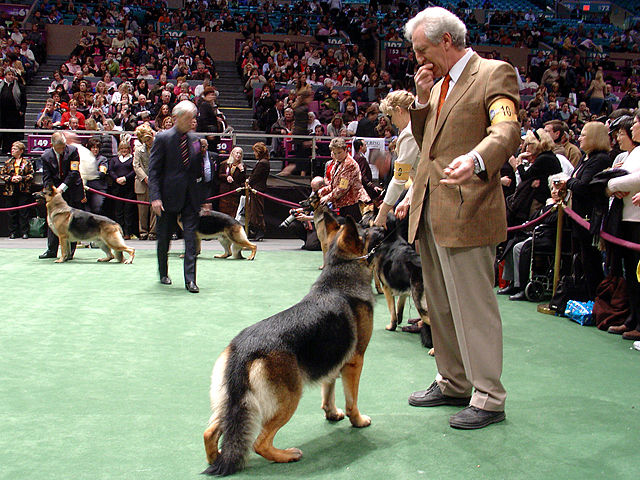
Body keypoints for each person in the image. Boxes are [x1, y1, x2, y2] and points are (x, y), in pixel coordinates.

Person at [402, 7, 521, 429]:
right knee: (440, 303)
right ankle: (452, 381)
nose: (419, 59)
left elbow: (506, 132)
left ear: (446, 41)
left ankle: (489, 395)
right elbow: (428, 145)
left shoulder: (494, 73)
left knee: (473, 306)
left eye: (422, 50)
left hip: (470, 209)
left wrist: (476, 159)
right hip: (432, 209)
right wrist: (420, 101)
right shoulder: (435, 87)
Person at [149, 100, 204, 293]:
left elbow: (198, 172)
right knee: (164, 238)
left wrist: (205, 200)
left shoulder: (196, 140)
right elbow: (154, 170)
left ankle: (190, 280)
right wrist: (155, 197)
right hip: (167, 197)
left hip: (190, 197)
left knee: (191, 239)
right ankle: (163, 272)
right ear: (177, 118)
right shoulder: (162, 138)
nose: (192, 121)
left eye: (194, 118)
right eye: (189, 118)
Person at [556, 121, 611, 299]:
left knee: (591, 260)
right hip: (577, 216)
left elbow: (583, 186)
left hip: (589, 218)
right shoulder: (585, 157)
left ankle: (595, 298)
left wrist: (568, 182)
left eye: (584, 135)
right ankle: (584, 294)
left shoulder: (600, 159)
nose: (579, 137)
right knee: (580, 259)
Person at [605, 113, 640, 341]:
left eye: (636, 123)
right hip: (627, 217)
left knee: (638, 274)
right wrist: (614, 183)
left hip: (637, 219)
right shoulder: (631, 154)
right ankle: (633, 318)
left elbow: (628, 180)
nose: (634, 126)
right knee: (631, 274)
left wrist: (613, 182)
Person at [373, 90, 421, 227]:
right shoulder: (418, 126)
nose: (392, 121)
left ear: (399, 110)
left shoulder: (409, 134)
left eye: (391, 115)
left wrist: (382, 213)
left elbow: (400, 178)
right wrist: (407, 199)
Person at [39, 132, 85, 259]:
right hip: (55, 194)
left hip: (72, 188)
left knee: (72, 222)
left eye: (64, 146)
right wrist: (52, 191)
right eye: (60, 147)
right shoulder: (45, 156)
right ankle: (51, 250)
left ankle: (69, 252)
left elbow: (74, 171)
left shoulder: (73, 151)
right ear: (52, 145)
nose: (63, 149)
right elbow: (46, 178)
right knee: (53, 221)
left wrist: (62, 188)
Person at [318, 137, 370, 222]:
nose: (337, 156)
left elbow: (342, 188)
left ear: (346, 150)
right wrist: (321, 192)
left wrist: (327, 197)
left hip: (354, 204)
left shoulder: (349, 164)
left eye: (339, 152)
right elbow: (333, 185)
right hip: (344, 205)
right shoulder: (337, 163)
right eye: (335, 153)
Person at [0, 141, 33, 238]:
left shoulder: (27, 162)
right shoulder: (8, 162)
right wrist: (11, 178)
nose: (12, 150)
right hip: (10, 189)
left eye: (15, 149)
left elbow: (31, 175)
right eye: (12, 149)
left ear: (21, 151)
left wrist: (21, 178)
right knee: (11, 212)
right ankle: (13, 232)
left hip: (23, 189)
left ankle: (24, 232)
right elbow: (2, 174)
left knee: (24, 212)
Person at [109, 140, 137, 239]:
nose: (124, 150)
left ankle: (128, 232)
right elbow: (111, 170)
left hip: (129, 187)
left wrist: (125, 178)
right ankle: (119, 232)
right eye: (122, 148)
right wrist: (117, 179)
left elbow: (134, 170)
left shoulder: (132, 159)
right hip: (117, 188)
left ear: (129, 149)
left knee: (128, 210)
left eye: (125, 148)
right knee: (118, 211)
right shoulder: (114, 159)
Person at [133, 124, 156, 240]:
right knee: (142, 210)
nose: (148, 142)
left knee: (154, 208)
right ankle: (143, 232)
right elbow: (136, 166)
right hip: (142, 183)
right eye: (145, 140)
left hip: (155, 182)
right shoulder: (138, 150)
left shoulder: (158, 148)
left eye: (149, 139)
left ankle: (153, 232)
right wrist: (145, 178)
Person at [246, 142, 270, 241]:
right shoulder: (263, 162)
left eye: (255, 152)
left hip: (257, 189)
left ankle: (260, 230)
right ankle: (256, 230)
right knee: (254, 211)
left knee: (257, 211)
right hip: (256, 188)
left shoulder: (262, 163)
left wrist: (248, 180)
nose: (254, 154)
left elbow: (255, 176)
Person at [0, 68, 27, 154]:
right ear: (5, 75)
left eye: (12, 75)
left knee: (11, 134)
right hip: (1, 114)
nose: (11, 76)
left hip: (14, 115)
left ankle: (11, 150)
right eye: (9, 74)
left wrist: (21, 111)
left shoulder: (20, 87)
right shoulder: (1, 85)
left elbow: (24, 101)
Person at [217, 146, 246, 218]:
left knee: (233, 214)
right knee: (223, 214)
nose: (238, 155)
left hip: (234, 194)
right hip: (225, 192)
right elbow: (219, 175)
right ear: (232, 153)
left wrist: (241, 170)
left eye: (240, 154)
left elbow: (242, 180)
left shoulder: (243, 167)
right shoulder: (225, 164)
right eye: (237, 153)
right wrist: (226, 177)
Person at [83, 136, 109, 216]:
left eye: (97, 148)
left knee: (96, 209)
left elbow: (101, 173)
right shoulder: (84, 158)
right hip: (85, 188)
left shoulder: (103, 159)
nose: (95, 149)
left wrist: (87, 173)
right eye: (93, 147)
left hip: (98, 189)